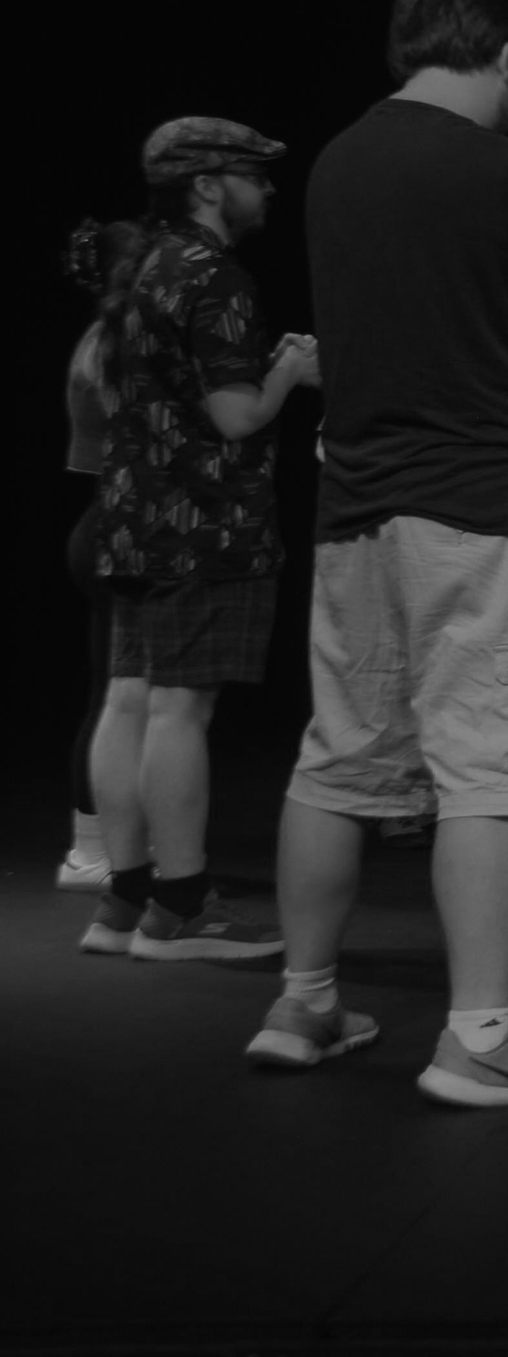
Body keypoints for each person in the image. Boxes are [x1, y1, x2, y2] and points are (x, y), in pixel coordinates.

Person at [254, 0, 508, 1107]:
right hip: (488, 511)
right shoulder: (504, 168)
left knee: (336, 759)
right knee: (493, 768)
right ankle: (480, 1039)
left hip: (356, 516)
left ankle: (306, 1000)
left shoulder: (338, 162)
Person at [81, 119, 318, 964]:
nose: (269, 189)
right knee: (181, 709)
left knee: (129, 699)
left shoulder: (138, 265)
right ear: (209, 186)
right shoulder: (215, 275)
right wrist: (292, 369)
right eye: (254, 175)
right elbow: (236, 416)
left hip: (134, 519)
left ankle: (124, 899)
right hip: (202, 526)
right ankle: (181, 910)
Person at [56, 219, 153, 893]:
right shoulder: (116, 344)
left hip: (107, 525)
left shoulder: (106, 339)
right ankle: (90, 850)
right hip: (114, 528)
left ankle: (108, 846)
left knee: (125, 698)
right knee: (116, 698)